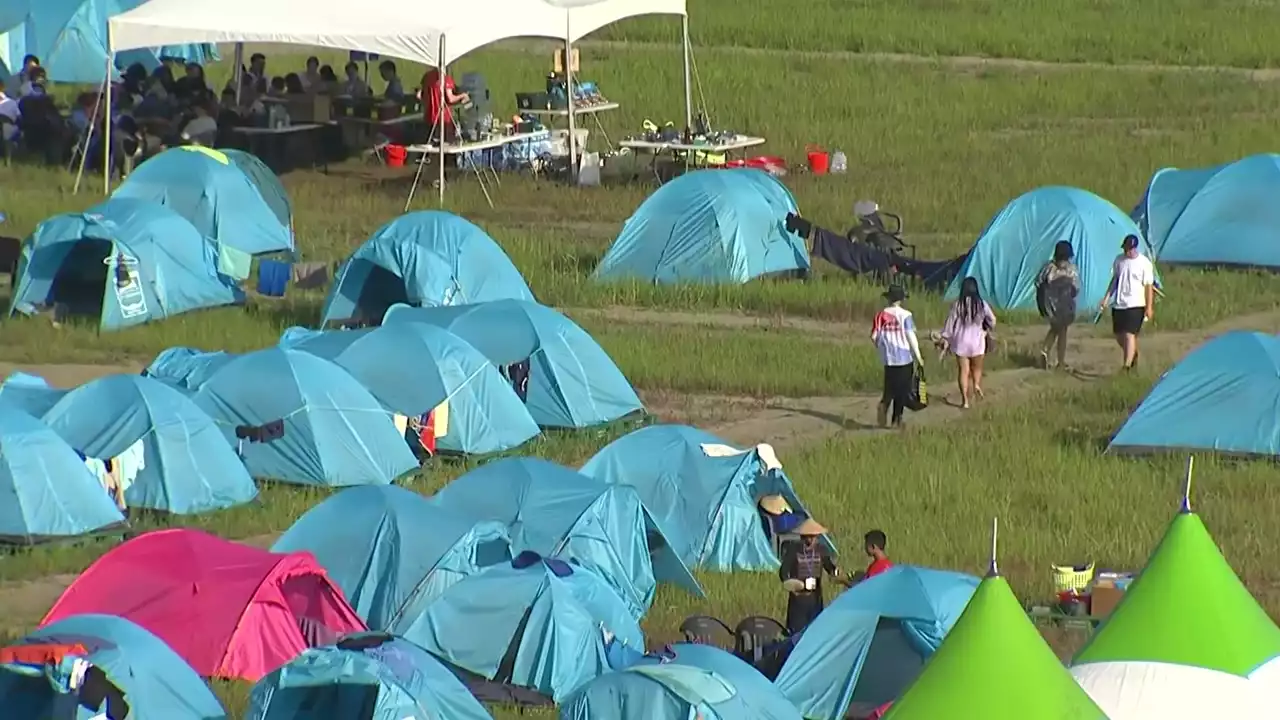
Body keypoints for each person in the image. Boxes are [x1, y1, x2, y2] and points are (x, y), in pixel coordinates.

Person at [1098, 234, 1155, 371]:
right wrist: (1106, 297)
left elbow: (1148, 286)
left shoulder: (1144, 263)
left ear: (1135, 248)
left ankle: (1126, 366)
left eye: (1129, 249)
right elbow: (1115, 281)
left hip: (1136, 304)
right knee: (1119, 336)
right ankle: (1132, 354)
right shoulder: (1119, 260)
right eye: (1125, 249)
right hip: (1119, 304)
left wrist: (1149, 307)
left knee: (1130, 334)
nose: (1127, 251)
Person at [871, 284, 924, 428]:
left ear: (888, 299)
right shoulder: (906, 315)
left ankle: (884, 404)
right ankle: (897, 420)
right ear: (901, 299)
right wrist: (918, 356)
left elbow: (874, 336)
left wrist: (881, 348)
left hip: (888, 358)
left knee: (889, 387)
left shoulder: (880, 315)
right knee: (902, 390)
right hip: (904, 357)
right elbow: (910, 335)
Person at [939, 276, 995, 409]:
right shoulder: (982, 304)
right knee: (977, 368)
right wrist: (988, 328)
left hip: (961, 342)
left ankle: (965, 401)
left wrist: (945, 336)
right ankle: (976, 384)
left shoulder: (957, 304)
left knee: (963, 371)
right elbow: (992, 319)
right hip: (977, 342)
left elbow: (950, 323)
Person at [778, 518, 838, 635]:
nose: (809, 540)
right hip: (798, 600)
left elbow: (830, 567)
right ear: (802, 537)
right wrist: (792, 585)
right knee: (796, 633)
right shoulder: (793, 550)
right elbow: (784, 572)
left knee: (815, 632)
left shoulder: (822, 551)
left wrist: (837, 573)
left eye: (813, 537)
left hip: (815, 599)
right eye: (807, 537)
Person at [1035, 240, 1080, 369]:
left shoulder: (1048, 268)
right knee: (1062, 331)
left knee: (1055, 328)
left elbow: (1038, 283)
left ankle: (1044, 350)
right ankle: (1060, 362)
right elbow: (1076, 289)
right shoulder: (1071, 270)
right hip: (1065, 306)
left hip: (1050, 306)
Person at [421, 68, 470, 141]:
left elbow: (421, 95)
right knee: (445, 143)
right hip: (443, 118)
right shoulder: (445, 79)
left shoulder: (427, 77)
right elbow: (450, 99)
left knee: (431, 144)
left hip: (429, 116)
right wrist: (463, 95)